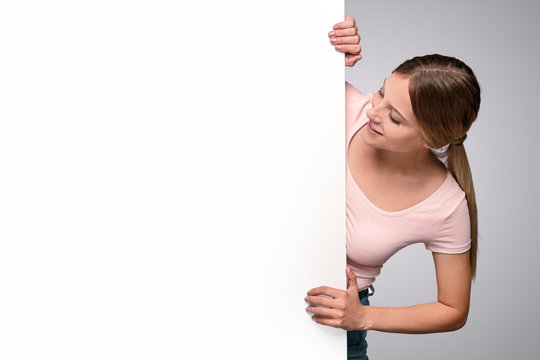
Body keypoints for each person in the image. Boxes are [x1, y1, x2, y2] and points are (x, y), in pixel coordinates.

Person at [304, 16, 480, 360]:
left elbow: (453, 309)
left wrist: (364, 317)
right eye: (382, 92)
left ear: (430, 139)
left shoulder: (446, 205)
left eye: (395, 118)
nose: (373, 112)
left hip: (334, 328)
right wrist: (317, 51)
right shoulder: (339, 106)